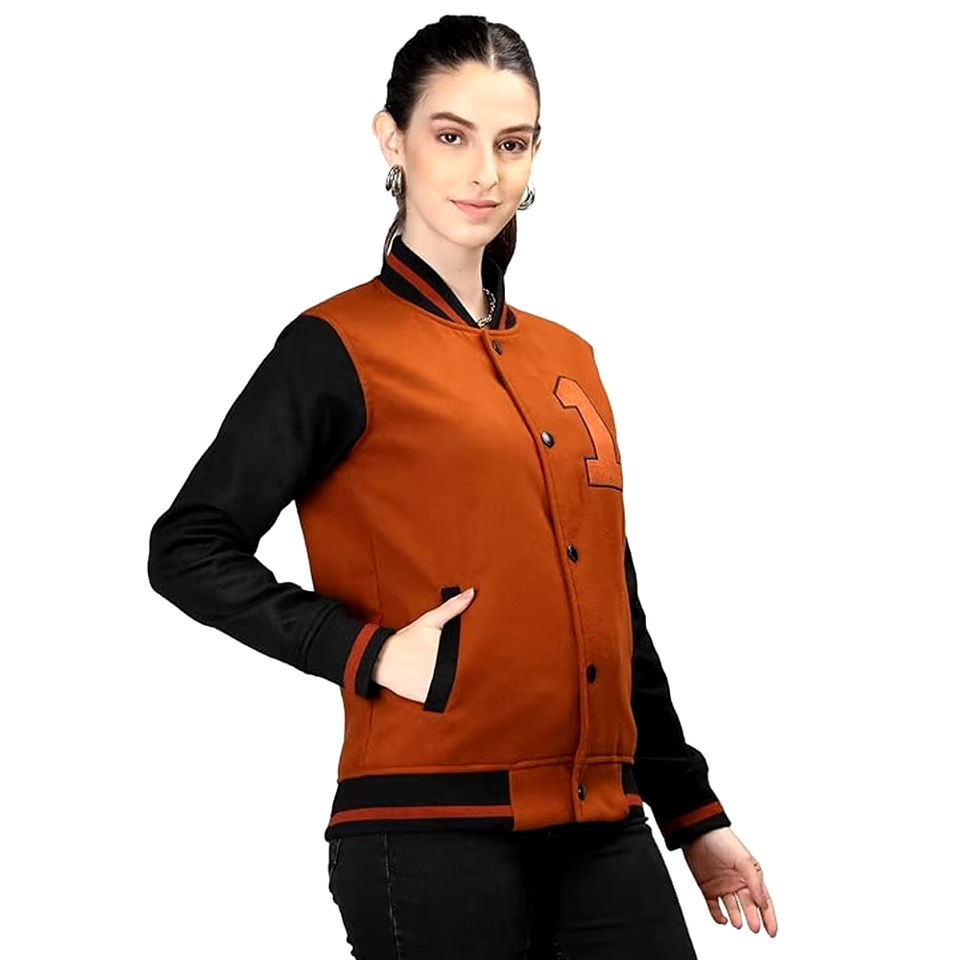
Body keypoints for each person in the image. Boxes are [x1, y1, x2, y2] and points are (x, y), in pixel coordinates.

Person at [148, 14, 777, 959]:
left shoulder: (569, 359)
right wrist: (364, 652)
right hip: (426, 832)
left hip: (605, 824)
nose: (485, 172)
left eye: (512, 143)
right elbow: (188, 547)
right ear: (391, 140)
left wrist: (693, 813)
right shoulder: (335, 347)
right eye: (452, 136)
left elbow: (613, 605)